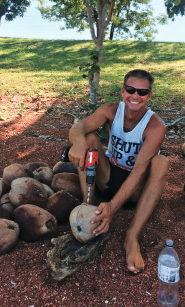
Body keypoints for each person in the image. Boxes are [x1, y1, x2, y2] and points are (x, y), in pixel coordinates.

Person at [68, 69, 169, 274]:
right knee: (88, 139)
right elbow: (79, 126)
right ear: (123, 91)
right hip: (109, 176)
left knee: (161, 162)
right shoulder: (110, 110)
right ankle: (88, 204)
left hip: (136, 188)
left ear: (149, 96)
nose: (135, 96)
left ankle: (131, 236)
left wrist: (113, 208)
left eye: (142, 92)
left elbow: (140, 170)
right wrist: (78, 143)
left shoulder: (155, 126)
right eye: (131, 90)